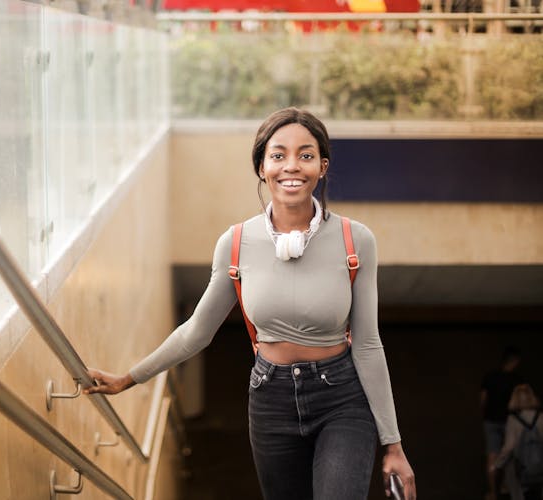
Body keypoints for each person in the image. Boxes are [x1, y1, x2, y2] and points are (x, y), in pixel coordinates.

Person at [84, 107, 416, 500]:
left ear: (322, 167)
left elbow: (367, 343)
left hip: (342, 398)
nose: (291, 166)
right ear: (262, 167)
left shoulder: (355, 240)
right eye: (278, 155)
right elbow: (197, 331)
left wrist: (393, 445)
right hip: (270, 399)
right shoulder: (236, 244)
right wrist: (129, 378)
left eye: (306, 155)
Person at [482, 346, 525, 500]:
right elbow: (519, 404)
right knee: (509, 456)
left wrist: (485, 415)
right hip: (509, 421)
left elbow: (483, 400)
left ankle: (494, 492)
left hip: (490, 420)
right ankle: (506, 488)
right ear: (515, 361)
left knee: (492, 457)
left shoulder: (490, 377)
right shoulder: (517, 380)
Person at [495, 384, 543, 500]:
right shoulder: (541, 417)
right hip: (541, 463)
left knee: (510, 469)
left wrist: (498, 464)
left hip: (522, 466)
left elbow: (509, 447)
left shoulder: (513, 420)